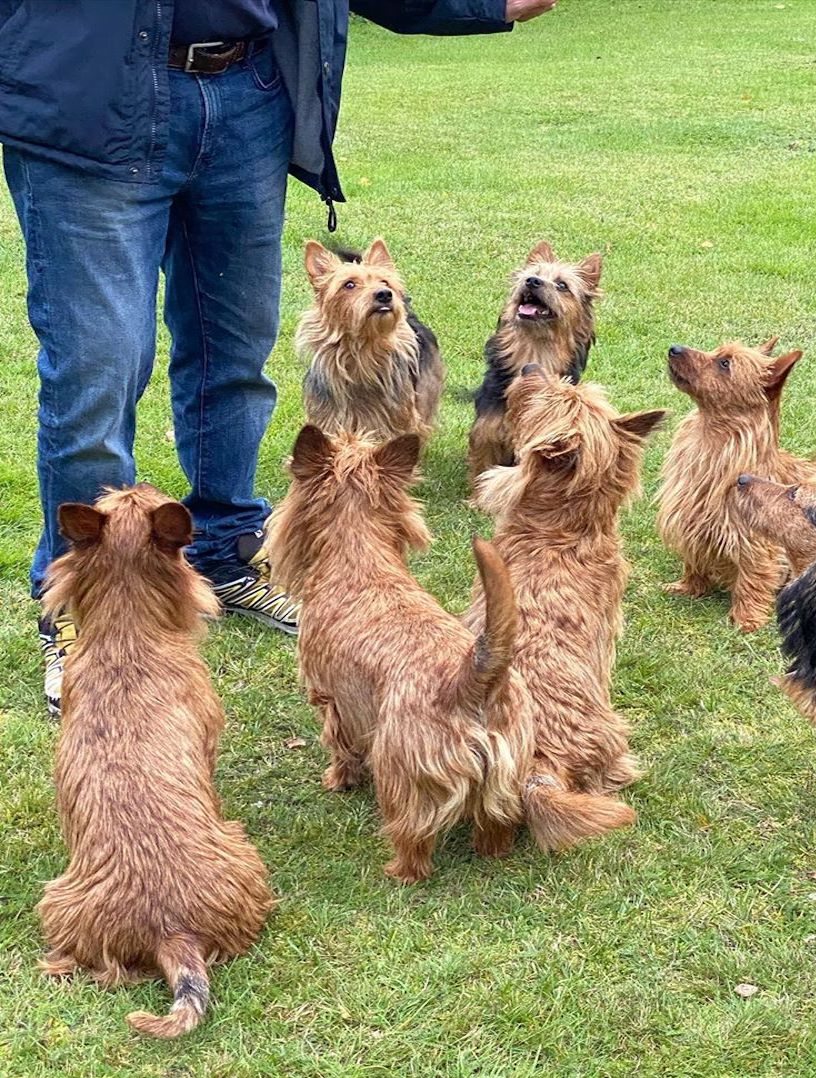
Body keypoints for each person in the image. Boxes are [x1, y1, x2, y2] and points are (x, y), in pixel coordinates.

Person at [0, 0, 558, 716]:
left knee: (235, 356)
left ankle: (228, 545)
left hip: (244, 94)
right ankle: (90, 607)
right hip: (88, 101)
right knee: (96, 371)